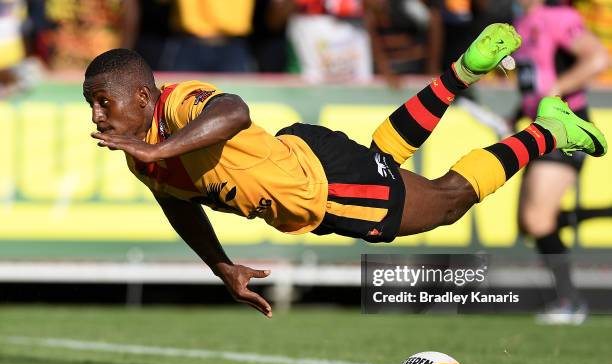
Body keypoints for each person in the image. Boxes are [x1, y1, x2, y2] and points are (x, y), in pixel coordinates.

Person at [83, 23, 607, 317]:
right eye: (92, 106)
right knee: (384, 158)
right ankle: (463, 72)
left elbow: (234, 112)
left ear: (145, 96)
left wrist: (159, 149)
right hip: (308, 157)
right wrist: (223, 266)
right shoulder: (139, 154)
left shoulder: (177, 106)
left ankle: (549, 131)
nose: (97, 116)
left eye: (104, 102)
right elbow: (179, 207)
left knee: (446, 202)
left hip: (322, 186)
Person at [513, 0, 610, 324]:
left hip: (566, 127)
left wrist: (558, 88)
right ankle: (602, 213)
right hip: (540, 128)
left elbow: (597, 57)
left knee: (538, 219)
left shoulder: (558, 17)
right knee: (531, 223)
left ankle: (570, 301)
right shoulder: (520, 28)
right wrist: (517, 112)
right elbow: (534, 82)